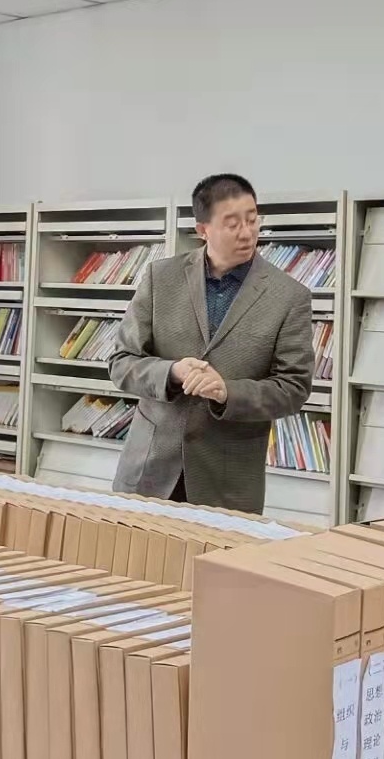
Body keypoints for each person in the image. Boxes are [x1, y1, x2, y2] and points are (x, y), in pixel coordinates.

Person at [109, 174, 313, 513]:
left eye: (252, 219)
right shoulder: (161, 277)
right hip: (148, 473)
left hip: (227, 483)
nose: (247, 232)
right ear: (202, 229)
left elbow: (294, 389)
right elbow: (121, 363)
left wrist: (226, 392)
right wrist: (171, 372)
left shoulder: (290, 296)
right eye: (232, 224)